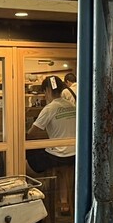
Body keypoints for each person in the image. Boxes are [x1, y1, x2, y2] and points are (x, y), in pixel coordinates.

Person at [26, 75, 76, 215]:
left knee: (23, 165)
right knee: (62, 170)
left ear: (47, 90)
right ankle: (64, 202)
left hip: (58, 156)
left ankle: (35, 201)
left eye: (44, 92)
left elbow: (31, 134)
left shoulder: (50, 108)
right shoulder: (72, 105)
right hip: (74, 155)